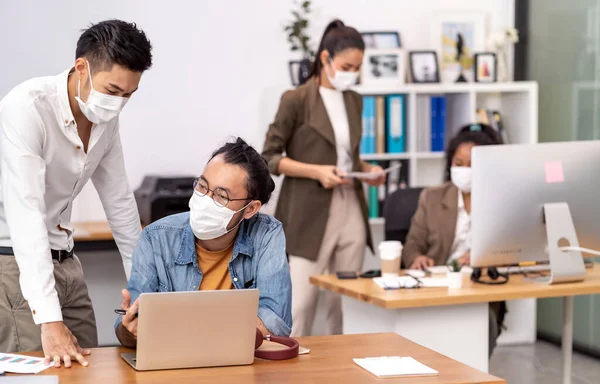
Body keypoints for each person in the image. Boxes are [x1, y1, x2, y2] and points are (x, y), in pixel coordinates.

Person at [0, 20, 152, 367]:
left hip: (67, 262)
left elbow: (121, 205)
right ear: (81, 67)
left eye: (129, 95)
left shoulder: (105, 118)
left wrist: (146, 289)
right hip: (13, 264)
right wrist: (49, 320)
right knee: (42, 375)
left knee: (91, 368)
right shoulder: (26, 108)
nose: (118, 104)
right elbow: (26, 215)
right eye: (113, 90)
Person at [262, 19, 386, 337]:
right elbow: (269, 157)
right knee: (301, 303)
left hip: (351, 207)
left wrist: (368, 170)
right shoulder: (297, 100)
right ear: (325, 58)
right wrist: (316, 171)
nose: (352, 73)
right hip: (309, 211)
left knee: (346, 301)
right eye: (347, 65)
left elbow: (346, 155)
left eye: (358, 67)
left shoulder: (354, 100)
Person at [115, 138, 292, 348]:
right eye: (202, 186)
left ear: (251, 209)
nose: (205, 199)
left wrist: (188, 334)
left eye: (221, 195)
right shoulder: (156, 237)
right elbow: (131, 321)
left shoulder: (266, 234)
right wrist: (129, 331)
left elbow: (276, 320)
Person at [402, 123, 506, 357]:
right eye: (458, 164)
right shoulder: (432, 198)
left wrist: (479, 256)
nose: (464, 170)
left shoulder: (500, 199)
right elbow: (411, 246)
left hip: (479, 292)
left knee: (481, 324)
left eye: (472, 165)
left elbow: (512, 252)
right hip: (435, 291)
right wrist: (417, 258)